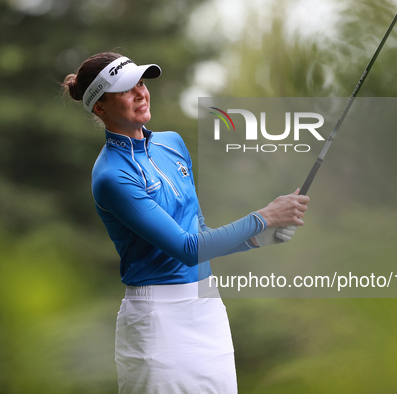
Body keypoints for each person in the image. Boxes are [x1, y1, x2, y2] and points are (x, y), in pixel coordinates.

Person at [62, 51, 309, 394]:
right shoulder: (111, 175)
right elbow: (186, 249)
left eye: (141, 83)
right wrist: (264, 217)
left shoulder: (172, 144)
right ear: (100, 107)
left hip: (208, 311)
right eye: (124, 89)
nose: (140, 93)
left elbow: (200, 234)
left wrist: (261, 237)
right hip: (157, 321)